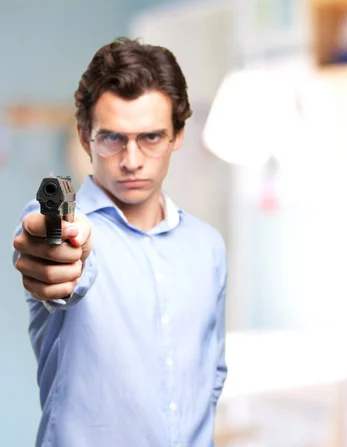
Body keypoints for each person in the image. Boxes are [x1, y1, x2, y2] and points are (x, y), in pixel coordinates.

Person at [11, 37, 228, 447]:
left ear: (177, 134)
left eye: (150, 137)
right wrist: (58, 252)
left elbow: (210, 377)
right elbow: (59, 262)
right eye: (112, 138)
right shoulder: (71, 228)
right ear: (84, 136)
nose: (131, 159)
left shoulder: (208, 247)